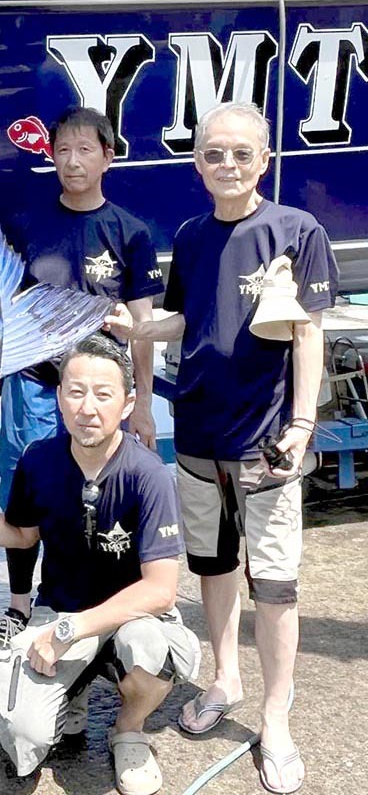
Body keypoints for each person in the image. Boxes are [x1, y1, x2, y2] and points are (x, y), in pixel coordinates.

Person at [105, 101, 338, 795]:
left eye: (241, 153)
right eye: (214, 153)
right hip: (199, 434)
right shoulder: (191, 235)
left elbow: (309, 334)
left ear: (264, 161)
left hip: (268, 442)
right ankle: (226, 678)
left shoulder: (298, 230)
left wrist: (303, 423)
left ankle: (276, 718)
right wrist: (138, 330)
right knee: (212, 566)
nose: (227, 164)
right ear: (197, 163)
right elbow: (188, 319)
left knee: (277, 584)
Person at [0, 335, 199, 795]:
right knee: (20, 733)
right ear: (59, 397)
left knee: (153, 650)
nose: (88, 408)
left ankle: (129, 729)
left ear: (127, 403)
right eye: (76, 392)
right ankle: (70, 693)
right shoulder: (39, 459)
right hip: (59, 609)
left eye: (103, 394)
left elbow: (160, 590)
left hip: (131, 617)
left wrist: (72, 629)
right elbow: (22, 534)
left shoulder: (148, 474)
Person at [0, 106, 164, 662]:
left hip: (101, 393)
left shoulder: (131, 233)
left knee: (101, 495)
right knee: (23, 493)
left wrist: (142, 404)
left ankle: (97, 606)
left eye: (85, 150)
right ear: (50, 156)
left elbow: (143, 327)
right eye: (62, 150)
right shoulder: (27, 224)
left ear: (108, 156)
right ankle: (17, 606)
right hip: (33, 386)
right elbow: (1, 314)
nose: (73, 161)